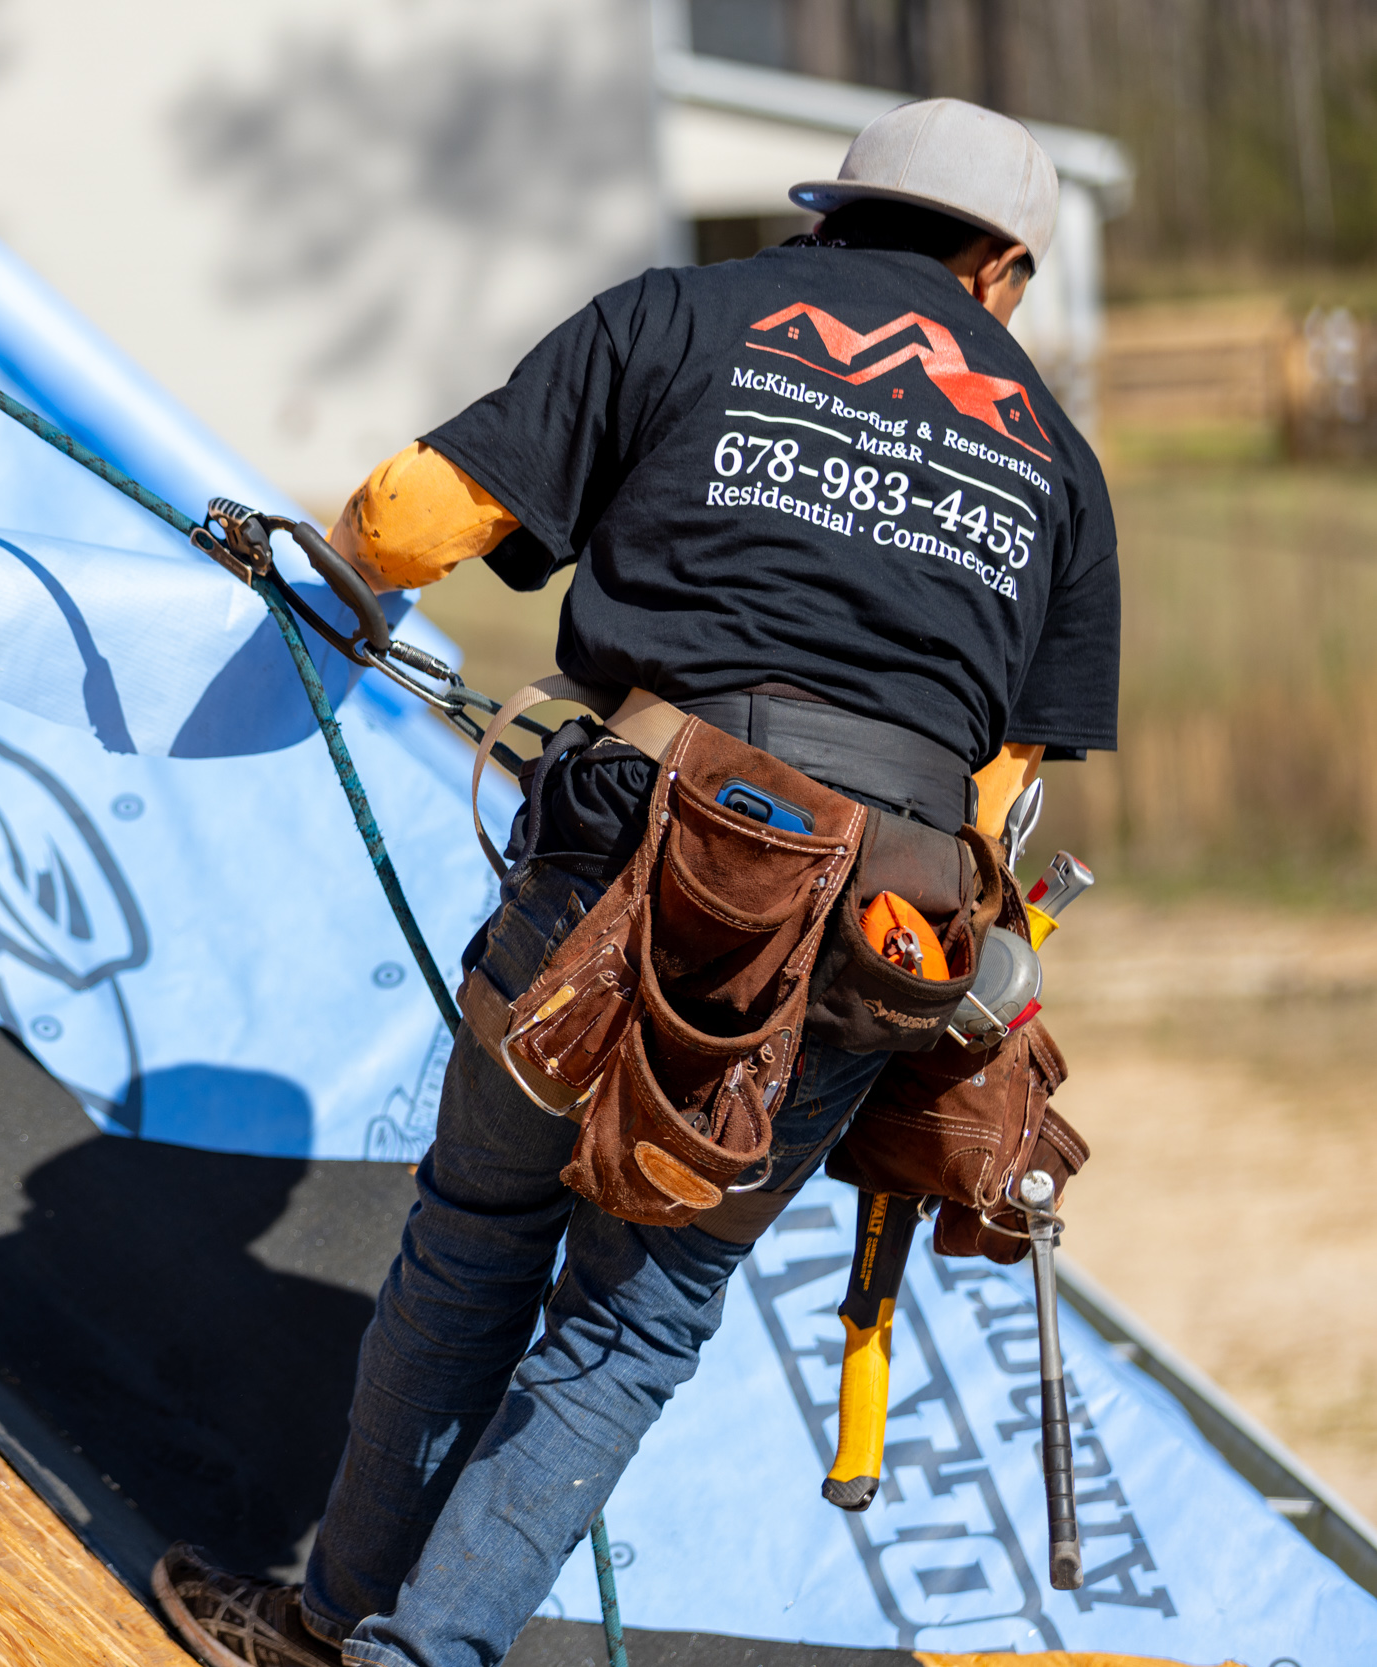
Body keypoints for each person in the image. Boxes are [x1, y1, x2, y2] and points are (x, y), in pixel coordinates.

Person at [154, 98, 1118, 1667]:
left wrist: (315, 567)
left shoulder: (688, 315)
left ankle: (327, 1626)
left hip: (634, 848)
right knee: (635, 1321)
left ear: (837, 214)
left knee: (478, 1235)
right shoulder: (1061, 467)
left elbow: (409, 520)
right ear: (1001, 268)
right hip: (876, 929)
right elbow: (1001, 788)